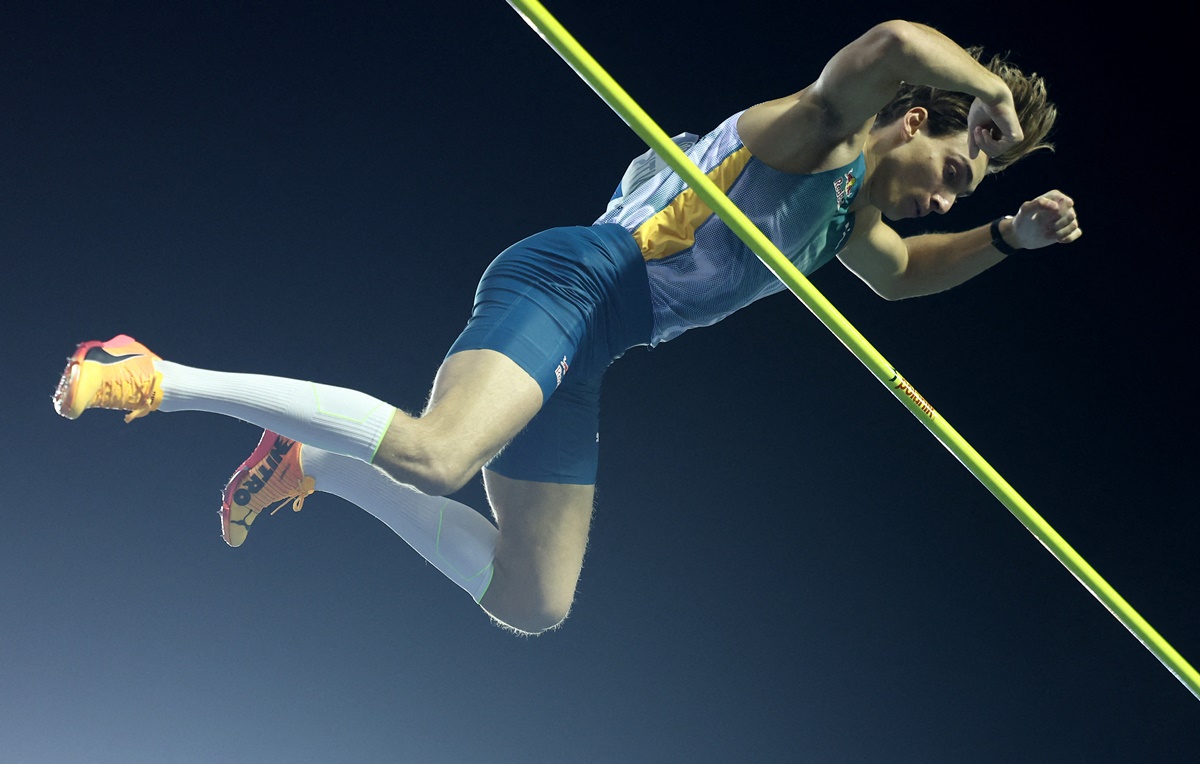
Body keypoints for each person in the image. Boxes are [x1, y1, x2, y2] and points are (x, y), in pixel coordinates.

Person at [52, 20, 1081, 635]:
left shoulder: (847, 222)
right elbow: (894, 45)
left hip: (594, 350)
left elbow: (900, 280)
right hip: (577, 282)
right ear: (916, 118)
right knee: (437, 450)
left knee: (532, 598)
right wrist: (985, 86)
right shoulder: (827, 135)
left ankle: (312, 463)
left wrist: (1008, 237)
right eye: (959, 165)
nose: (953, 194)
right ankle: (154, 373)